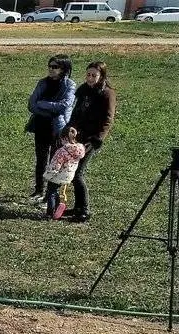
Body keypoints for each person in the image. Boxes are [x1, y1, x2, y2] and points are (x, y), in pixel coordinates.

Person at [64, 61, 116, 223]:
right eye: (88, 74)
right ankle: (78, 207)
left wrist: (96, 140)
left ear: (101, 77)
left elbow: (108, 120)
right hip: (79, 137)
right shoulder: (84, 90)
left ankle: (85, 210)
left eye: (94, 75)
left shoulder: (107, 94)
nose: (91, 78)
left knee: (78, 174)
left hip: (91, 139)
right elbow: (76, 113)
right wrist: (71, 127)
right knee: (73, 172)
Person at [26, 54, 76, 204]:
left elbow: (65, 105)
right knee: (41, 160)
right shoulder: (42, 83)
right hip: (41, 125)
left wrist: (43, 104)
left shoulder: (70, 85)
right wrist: (48, 110)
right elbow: (32, 105)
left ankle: (50, 196)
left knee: (55, 162)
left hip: (57, 128)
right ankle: (38, 190)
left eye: (55, 67)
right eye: (50, 66)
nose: (51, 69)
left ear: (64, 69)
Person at [42, 127, 86, 221]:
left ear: (64, 138)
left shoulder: (62, 151)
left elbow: (55, 165)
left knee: (51, 193)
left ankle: (50, 212)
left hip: (57, 176)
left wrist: (48, 175)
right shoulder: (80, 150)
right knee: (56, 191)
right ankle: (58, 208)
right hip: (68, 175)